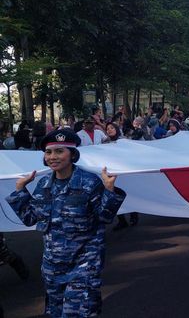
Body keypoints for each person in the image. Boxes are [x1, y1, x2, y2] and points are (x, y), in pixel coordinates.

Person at [5, 129, 126, 317]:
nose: (53, 157)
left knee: (78, 313)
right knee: (55, 312)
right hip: (53, 266)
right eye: (49, 152)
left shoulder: (89, 182)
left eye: (60, 151)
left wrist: (110, 192)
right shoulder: (43, 185)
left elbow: (104, 217)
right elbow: (30, 218)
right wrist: (20, 191)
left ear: (72, 154)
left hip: (84, 263)